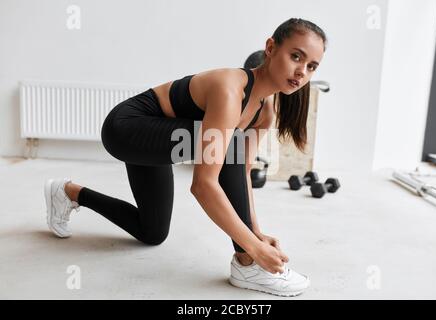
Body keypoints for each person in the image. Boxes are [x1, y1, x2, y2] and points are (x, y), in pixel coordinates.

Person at [44, 17, 326, 297]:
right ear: (271, 47)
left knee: (152, 232)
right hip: (127, 128)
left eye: (311, 66)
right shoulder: (230, 90)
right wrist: (252, 248)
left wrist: (256, 233)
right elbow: (203, 184)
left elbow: (241, 174)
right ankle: (246, 265)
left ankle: (68, 192)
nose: (301, 71)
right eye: (296, 56)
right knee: (229, 144)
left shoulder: (264, 114)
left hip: (159, 142)